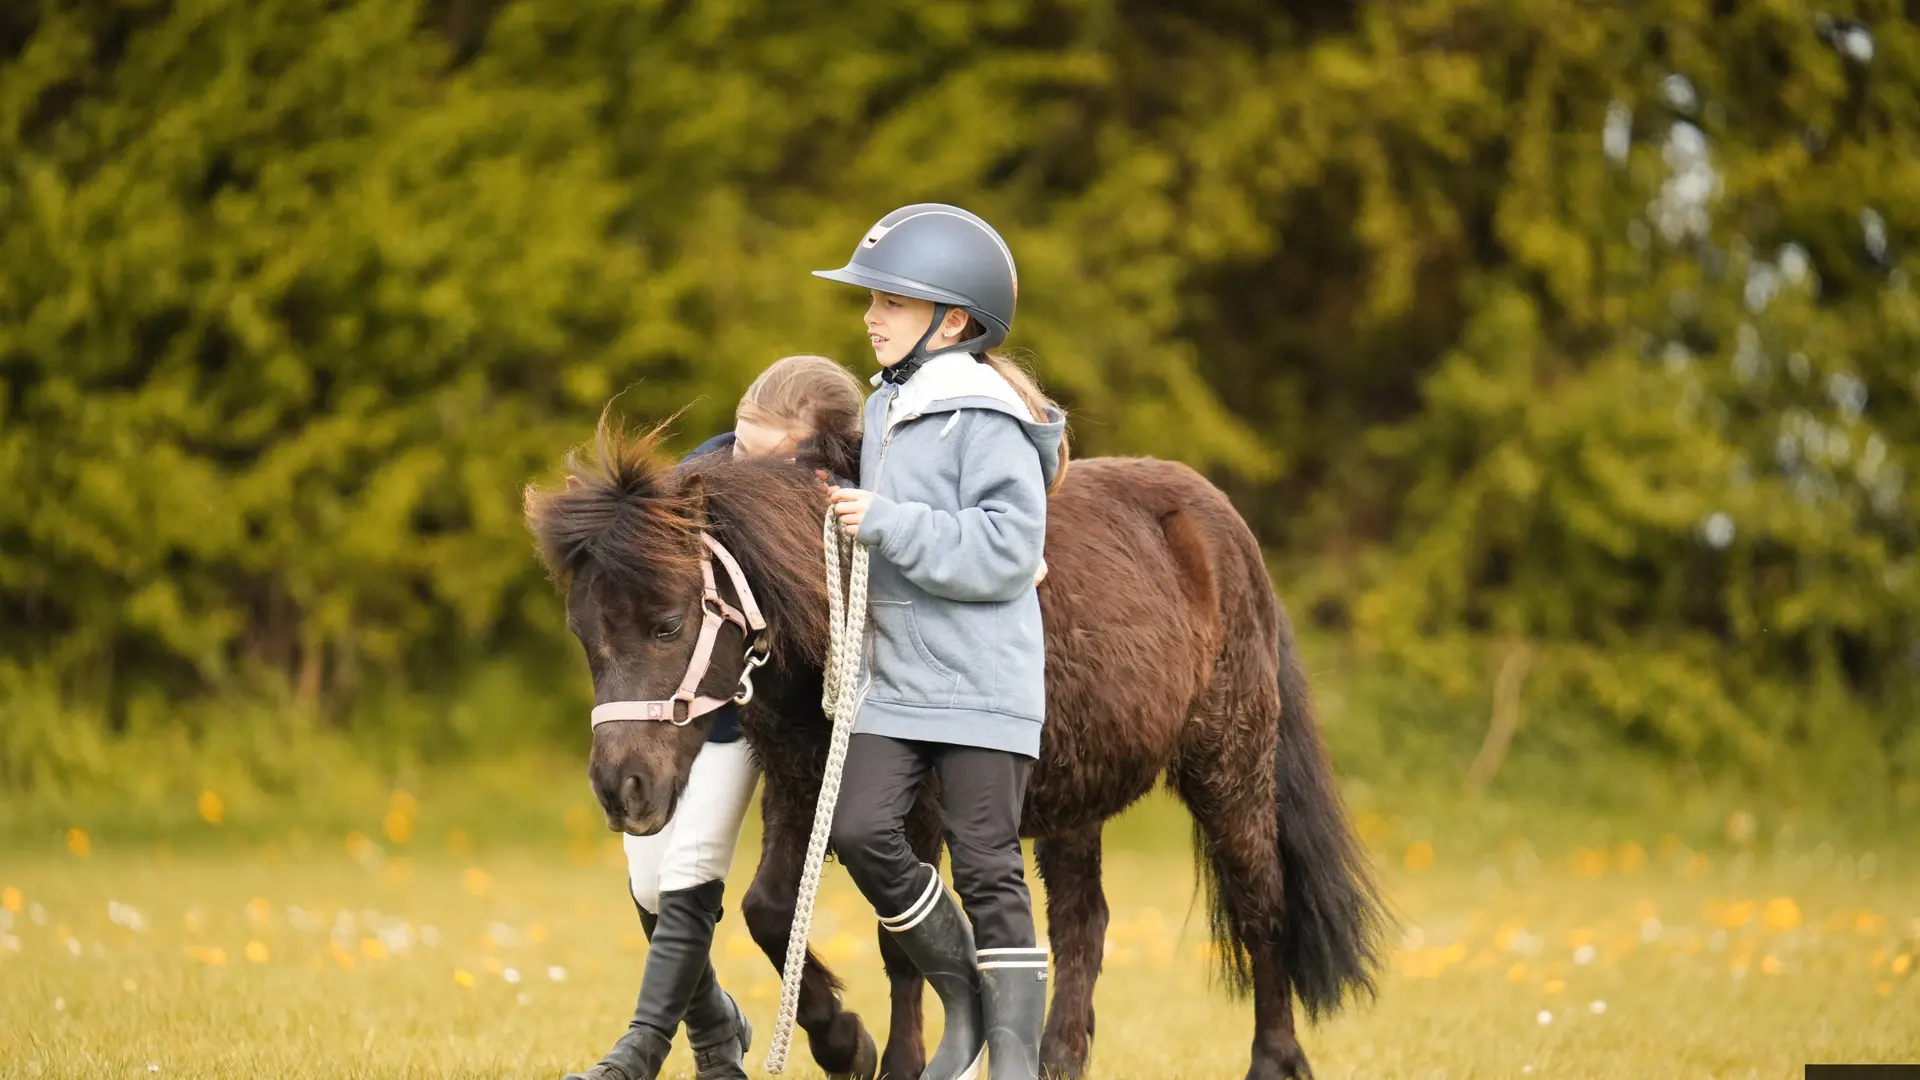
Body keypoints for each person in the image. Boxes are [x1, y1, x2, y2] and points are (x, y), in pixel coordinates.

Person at [815, 204, 1069, 1080]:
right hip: (897, 681)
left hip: (981, 685)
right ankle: (961, 991)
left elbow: (1008, 547)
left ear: (952, 321)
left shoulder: (982, 412)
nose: (870, 315)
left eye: (890, 300)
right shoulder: (893, 405)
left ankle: (1014, 1066)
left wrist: (887, 523)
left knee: (991, 870)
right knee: (860, 829)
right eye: (871, 299)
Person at [567, 354, 866, 1080]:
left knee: (692, 870)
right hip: (670, 710)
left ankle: (641, 1055)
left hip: (746, 714)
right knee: (647, 886)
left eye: (773, 449)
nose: (745, 459)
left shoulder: (842, 492)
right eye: (740, 436)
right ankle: (719, 1030)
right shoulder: (701, 484)